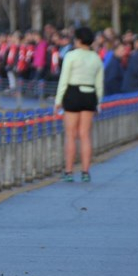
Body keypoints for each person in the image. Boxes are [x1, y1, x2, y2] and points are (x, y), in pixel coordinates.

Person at [54, 26, 104, 183]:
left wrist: (58, 100)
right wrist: (98, 102)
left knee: (70, 134)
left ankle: (69, 171)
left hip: (73, 93)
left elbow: (64, 79)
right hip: (90, 95)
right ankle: (85, 172)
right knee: (85, 135)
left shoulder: (71, 56)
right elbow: (99, 84)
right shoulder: (96, 58)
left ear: (79, 40)